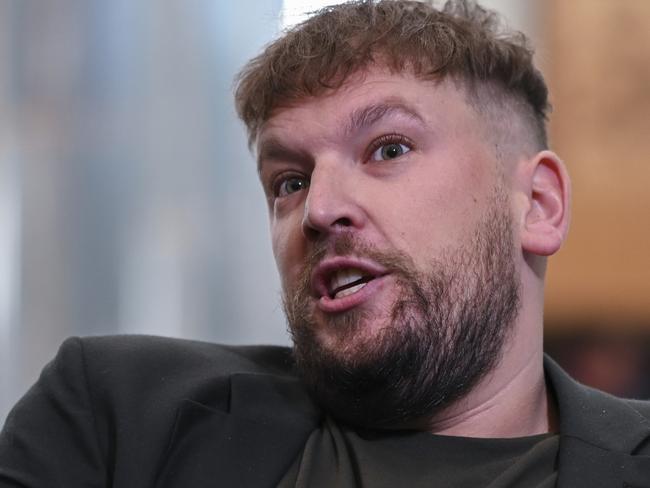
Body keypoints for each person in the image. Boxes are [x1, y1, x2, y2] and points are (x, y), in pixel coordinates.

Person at [1, 1, 649, 487]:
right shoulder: (117, 423)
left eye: (388, 149)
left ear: (537, 205)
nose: (319, 208)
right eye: (289, 180)